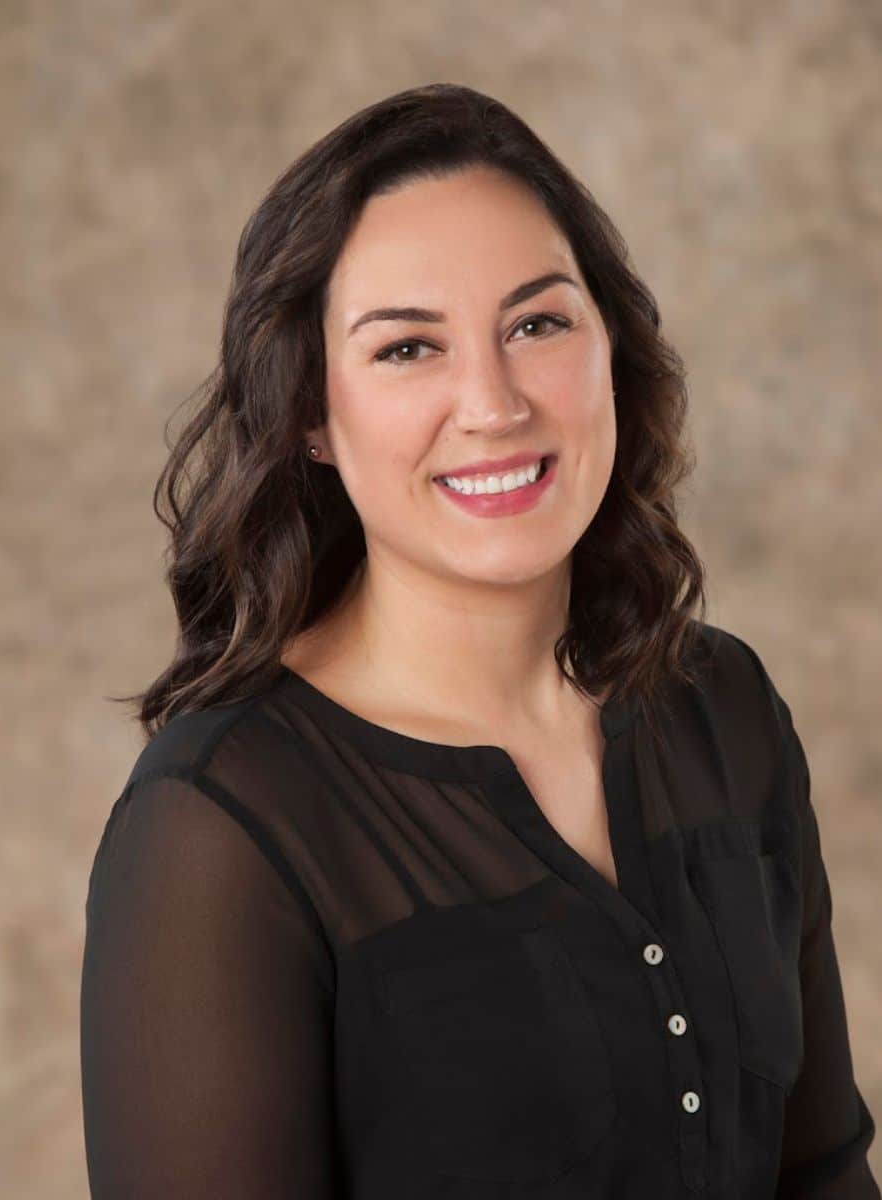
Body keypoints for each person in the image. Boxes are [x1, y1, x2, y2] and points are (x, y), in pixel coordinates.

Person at [79, 83, 879, 1197]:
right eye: (408, 350)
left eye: (538, 324)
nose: (494, 404)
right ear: (311, 412)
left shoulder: (724, 705)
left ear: (612, 349)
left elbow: (824, 1174)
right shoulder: (219, 828)